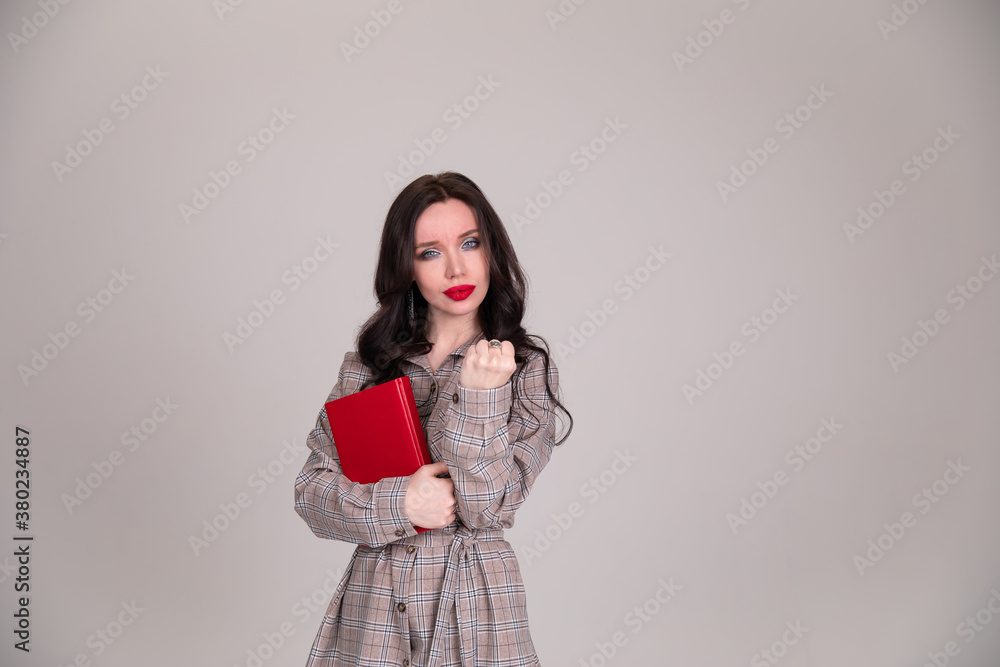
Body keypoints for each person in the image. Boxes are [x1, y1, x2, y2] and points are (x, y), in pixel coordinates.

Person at [294, 171, 574, 666]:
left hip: (475, 605)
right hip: (377, 606)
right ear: (406, 268)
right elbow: (312, 493)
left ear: (492, 251)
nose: (455, 269)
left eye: (469, 243)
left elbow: (487, 504)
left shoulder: (523, 367)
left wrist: (480, 396)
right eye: (430, 252)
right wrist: (400, 504)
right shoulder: (367, 366)